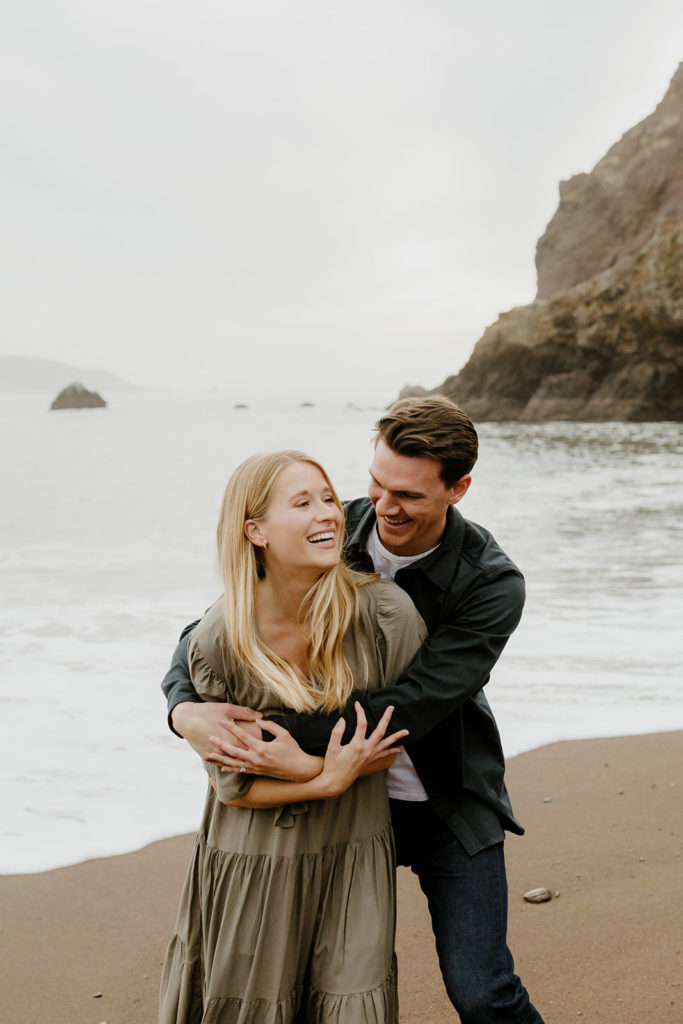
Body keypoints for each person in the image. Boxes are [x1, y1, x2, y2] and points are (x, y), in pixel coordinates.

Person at [163, 397, 546, 1024]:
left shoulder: (490, 582)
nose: (385, 506)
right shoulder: (335, 531)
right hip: (340, 806)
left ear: (459, 490)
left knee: (483, 991)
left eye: (410, 496)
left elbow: (412, 705)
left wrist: (277, 745)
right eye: (376, 482)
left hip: (442, 798)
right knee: (307, 982)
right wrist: (183, 710)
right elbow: (216, 625)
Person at [159, 450, 427, 1024]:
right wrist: (326, 778)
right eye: (302, 503)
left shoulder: (386, 616)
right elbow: (233, 787)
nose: (327, 513)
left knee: (353, 1006)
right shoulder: (219, 640)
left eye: (328, 498)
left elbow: (390, 744)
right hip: (256, 857)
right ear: (254, 531)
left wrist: (322, 774)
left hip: (353, 849)